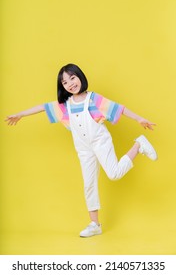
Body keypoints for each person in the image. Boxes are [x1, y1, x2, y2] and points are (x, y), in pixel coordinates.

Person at [5, 63, 157, 237]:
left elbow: (119, 108)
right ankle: (95, 224)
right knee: (89, 184)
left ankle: (139, 144)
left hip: (100, 142)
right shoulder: (65, 105)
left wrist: (140, 119)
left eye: (72, 78)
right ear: (62, 87)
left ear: (80, 77)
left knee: (114, 174)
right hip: (83, 149)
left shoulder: (94, 99)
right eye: (64, 82)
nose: (70, 83)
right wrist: (21, 115)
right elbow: (42, 107)